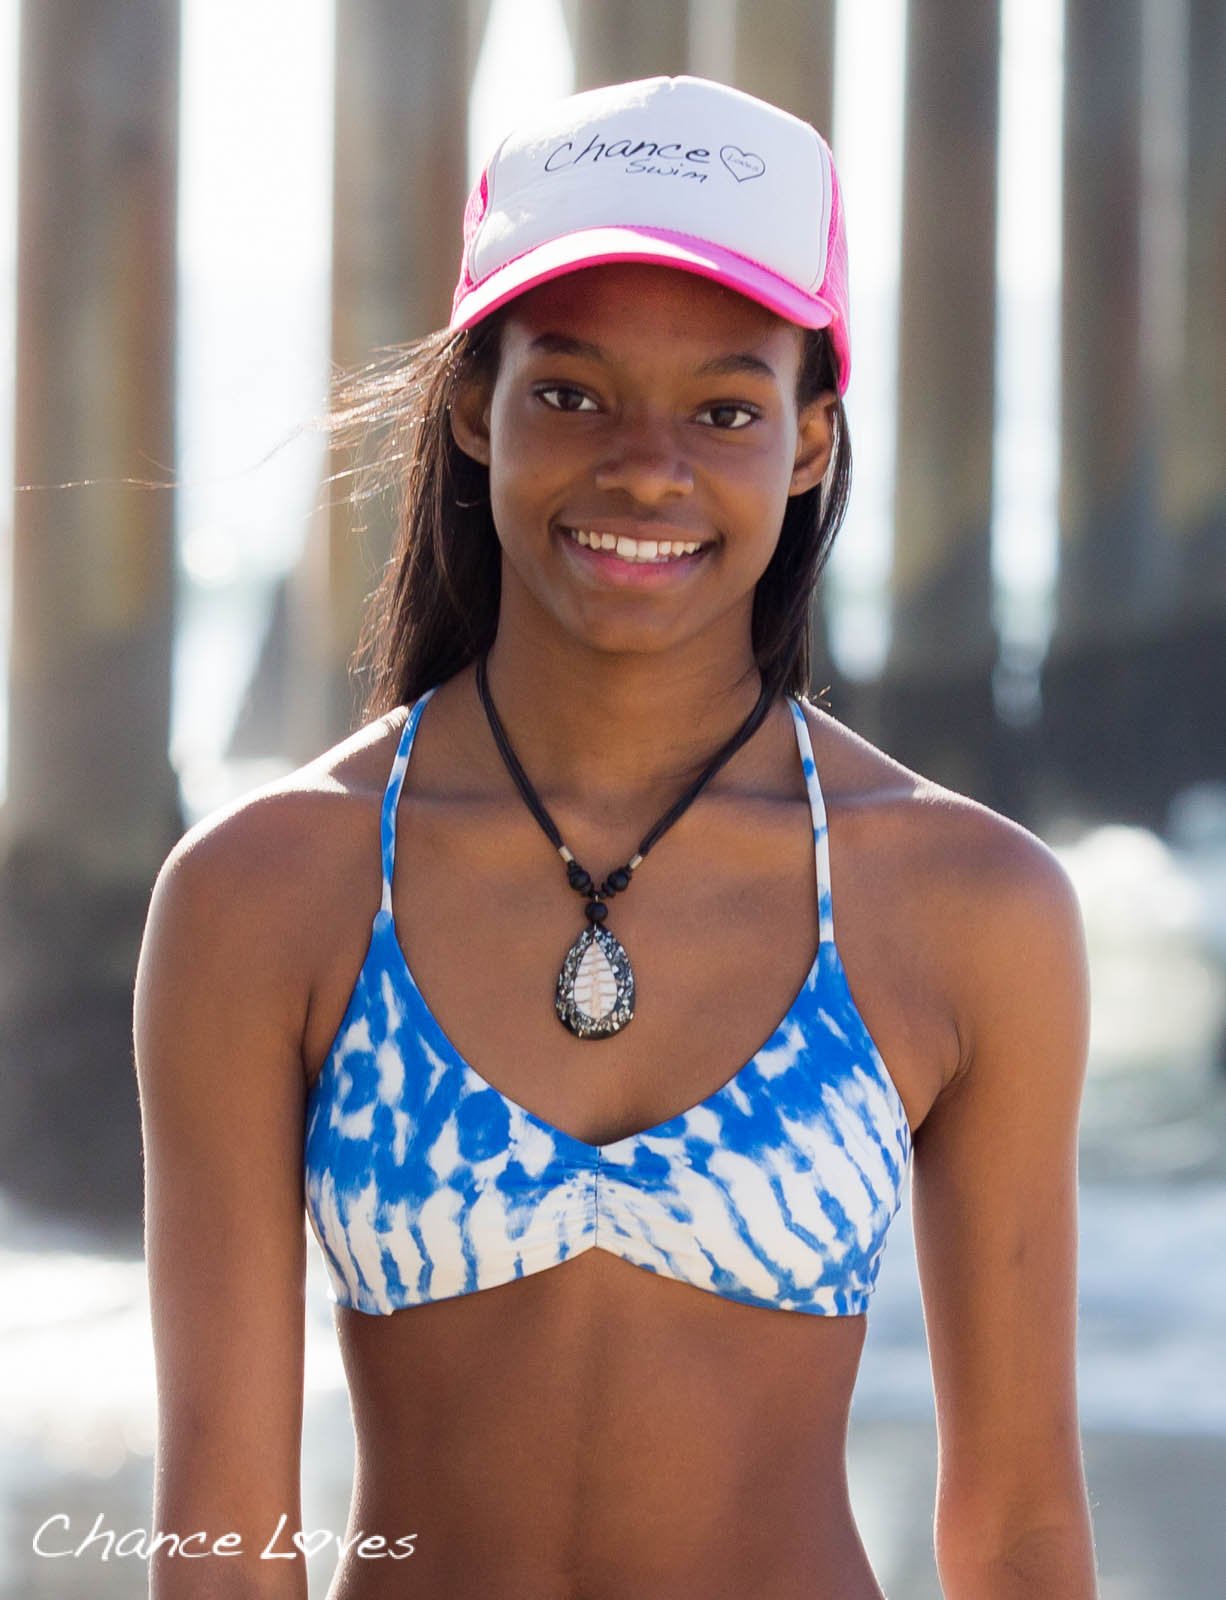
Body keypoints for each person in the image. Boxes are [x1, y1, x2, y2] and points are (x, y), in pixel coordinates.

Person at [134, 74, 1099, 1600]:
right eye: (569, 392)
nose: (645, 468)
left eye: (723, 408)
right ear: (473, 407)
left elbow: (1024, 1528)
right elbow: (220, 1536)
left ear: (805, 440)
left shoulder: (965, 902)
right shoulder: (273, 887)